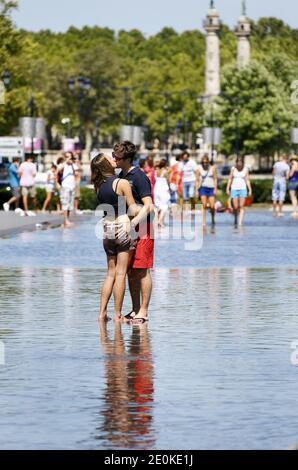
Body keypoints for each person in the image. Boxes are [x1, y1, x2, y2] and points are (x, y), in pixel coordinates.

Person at [91, 153, 141, 322]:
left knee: (110, 274)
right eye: (110, 159)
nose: (114, 160)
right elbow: (132, 209)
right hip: (122, 227)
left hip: (107, 228)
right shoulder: (122, 183)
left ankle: (101, 313)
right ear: (106, 165)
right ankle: (118, 315)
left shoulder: (98, 186)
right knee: (120, 274)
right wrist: (145, 209)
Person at [114, 141, 155, 325]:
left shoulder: (138, 177)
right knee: (130, 271)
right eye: (114, 156)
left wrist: (134, 223)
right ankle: (135, 308)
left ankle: (144, 311)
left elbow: (149, 206)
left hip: (143, 227)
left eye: (118, 157)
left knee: (142, 269)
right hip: (127, 227)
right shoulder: (120, 176)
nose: (115, 159)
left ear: (128, 159)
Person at [226, 158, 252, 227]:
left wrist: (250, 189)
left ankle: (240, 222)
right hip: (234, 189)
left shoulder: (246, 169)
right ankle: (235, 218)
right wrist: (228, 188)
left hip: (243, 189)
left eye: (241, 162)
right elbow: (230, 178)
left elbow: (247, 180)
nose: (239, 164)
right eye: (238, 162)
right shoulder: (233, 169)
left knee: (241, 206)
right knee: (235, 206)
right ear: (236, 163)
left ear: (243, 163)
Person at [57, 152, 79, 228]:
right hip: (65, 187)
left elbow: (77, 173)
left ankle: (67, 220)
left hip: (72, 187)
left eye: (70, 157)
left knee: (70, 204)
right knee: (65, 203)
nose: (68, 158)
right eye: (67, 157)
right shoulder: (62, 165)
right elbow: (58, 171)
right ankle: (65, 220)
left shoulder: (73, 165)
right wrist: (65, 162)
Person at [197, 155, 218, 226]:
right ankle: (203, 221)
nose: (204, 164)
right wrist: (196, 190)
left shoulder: (212, 168)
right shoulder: (199, 168)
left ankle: (213, 218)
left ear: (208, 162)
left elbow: (215, 178)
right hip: (203, 188)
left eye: (206, 162)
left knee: (212, 206)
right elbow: (197, 179)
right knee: (204, 205)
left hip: (211, 188)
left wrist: (215, 188)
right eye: (203, 162)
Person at [154, 159, 170, 229]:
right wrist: (169, 188)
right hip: (163, 189)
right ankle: (160, 221)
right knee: (165, 206)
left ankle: (160, 221)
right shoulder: (166, 172)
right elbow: (168, 181)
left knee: (158, 206)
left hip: (156, 189)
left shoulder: (156, 171)